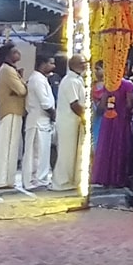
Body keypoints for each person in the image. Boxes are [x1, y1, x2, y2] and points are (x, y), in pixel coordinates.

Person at [90, 51, 133, 189]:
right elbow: (131, 104)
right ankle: (118, 178)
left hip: (108, 119)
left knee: (106, 147)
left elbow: (102, 105)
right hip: (121, 120)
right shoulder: (127, 84)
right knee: (120, 147)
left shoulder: (109, 84)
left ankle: (105, 178)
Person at [0, 48, 27, 191]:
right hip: (10, 110)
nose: (18, 53)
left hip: (13, 110)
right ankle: (2, 180)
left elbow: (19, 90)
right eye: (15, 52)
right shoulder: (7, 70)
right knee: (7, 146)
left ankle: (7, 179)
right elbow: (22, 90)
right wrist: (22, 83)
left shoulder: (10, 70)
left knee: (10, 147)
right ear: (8, 55)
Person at [53, 56, 88, 192]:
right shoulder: (70, 81)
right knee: (66, 153)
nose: (85, 65)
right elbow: (74, 104)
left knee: (73, 153)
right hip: (67, 121)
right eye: (81, 63)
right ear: (73, 65)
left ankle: (70, 180)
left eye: (85, 62)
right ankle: (61, 182)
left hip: (74, 121)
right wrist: (85, 117)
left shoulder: (77, 80)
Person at [21, 57, 56, 191]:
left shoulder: (41, 79)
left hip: (43, 121)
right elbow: (45, 103)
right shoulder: (37, 79)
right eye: (50, 63)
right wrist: (53, 113)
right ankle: (32, 181)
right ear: (42, 63)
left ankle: (41, 179)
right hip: (37, 121)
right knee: (36, 153)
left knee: (43, 153)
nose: (53, 66)